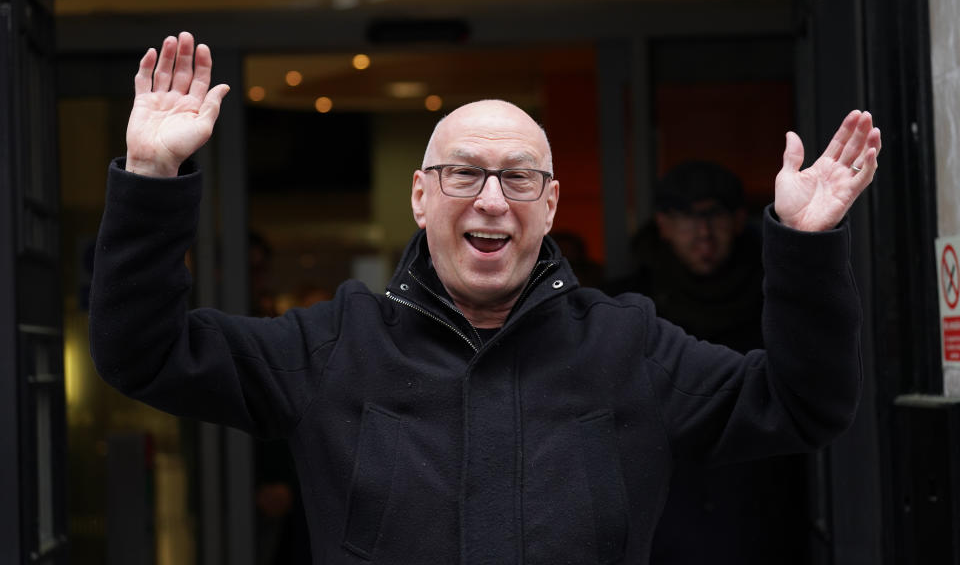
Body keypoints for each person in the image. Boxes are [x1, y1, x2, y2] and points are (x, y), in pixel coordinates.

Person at [89, 32, 880, 565]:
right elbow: (143, 352)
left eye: (520, 178)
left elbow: (804, 406)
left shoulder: (628, 346)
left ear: (552, 204)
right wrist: (151, 178)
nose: (492, 200)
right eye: (464, 174)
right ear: (421, 198)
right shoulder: (331, 348)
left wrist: (804, 248)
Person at [610, 161, 807, 564]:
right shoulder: (625, 313)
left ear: (737, 221)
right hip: (662, 521)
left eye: (714, 215)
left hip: (763, 515)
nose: (703, 233)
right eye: (686, 217)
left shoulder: (775, 302)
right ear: (663, 225)